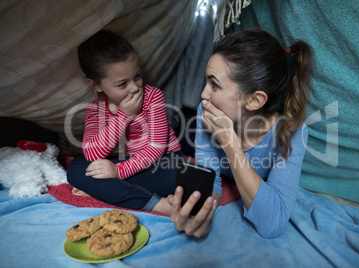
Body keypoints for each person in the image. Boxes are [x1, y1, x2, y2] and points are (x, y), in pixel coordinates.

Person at [168, 28, 313, 238]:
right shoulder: (206, 111)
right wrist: (200, 214)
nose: (203, 95)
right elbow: (212, 181)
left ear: (254, 101)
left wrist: (229, 142)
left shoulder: (292, 132)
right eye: (206, 82)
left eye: (214, 85)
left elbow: (272, 223)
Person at [67, 30, 181, 214]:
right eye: (122, 84)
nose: (135, 88)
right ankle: (158, 205)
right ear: (96, 85)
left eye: (137, 76)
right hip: (123, 163)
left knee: (176, 173)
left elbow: (157, 148)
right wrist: (124, 116)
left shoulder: (153, 97)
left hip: (160, 163)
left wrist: (118, 172)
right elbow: (91, 153)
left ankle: (104, 190)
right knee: (75, 169)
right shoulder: (95, 110)